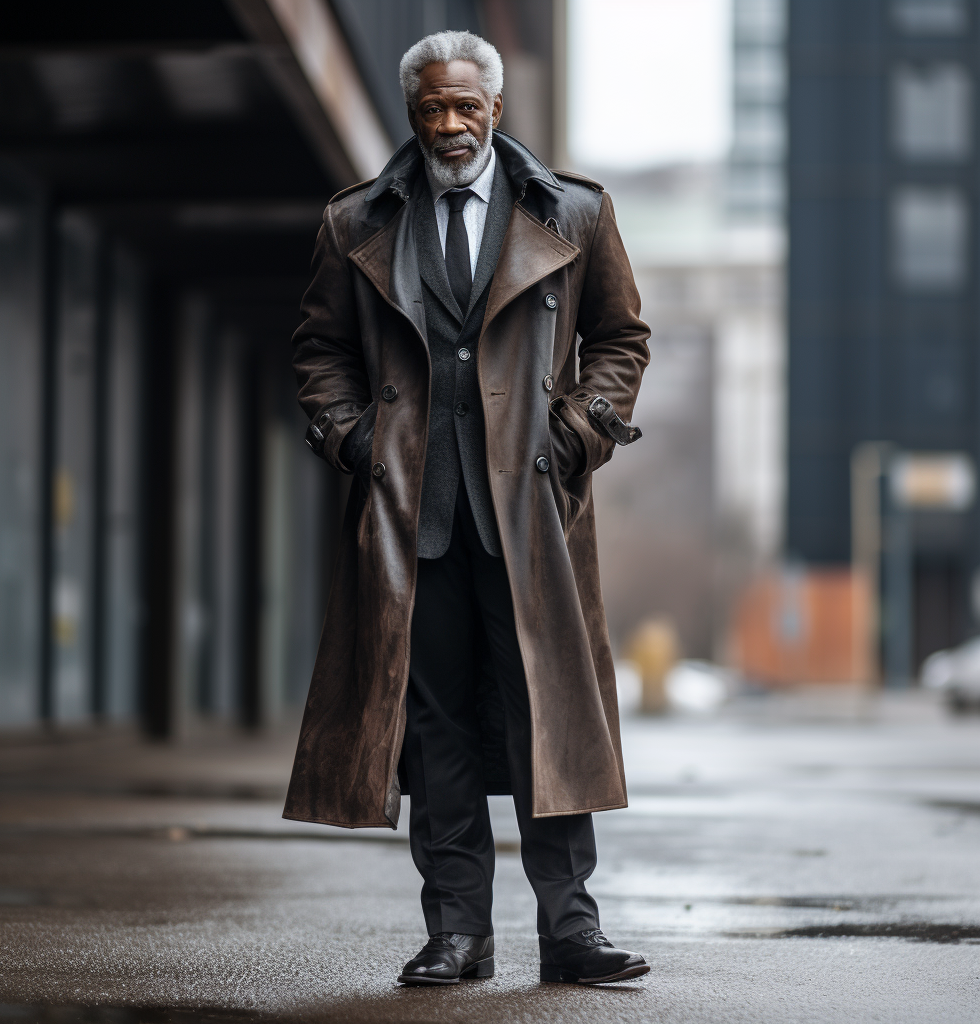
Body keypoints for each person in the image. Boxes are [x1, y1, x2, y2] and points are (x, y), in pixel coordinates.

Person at [286, 29, 651, 986]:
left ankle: (571, 933)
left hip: (531, 514)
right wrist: (354, 440)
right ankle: (458, 934)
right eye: (430, 109)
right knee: (432, 727)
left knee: (550, 722)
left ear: (495, 107)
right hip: (414, 518)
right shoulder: (356, 221)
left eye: (465, 106)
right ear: (413, 113)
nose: (448, 124)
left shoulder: (574, 211)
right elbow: (319, 354)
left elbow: (621, 337)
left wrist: (579, 432)